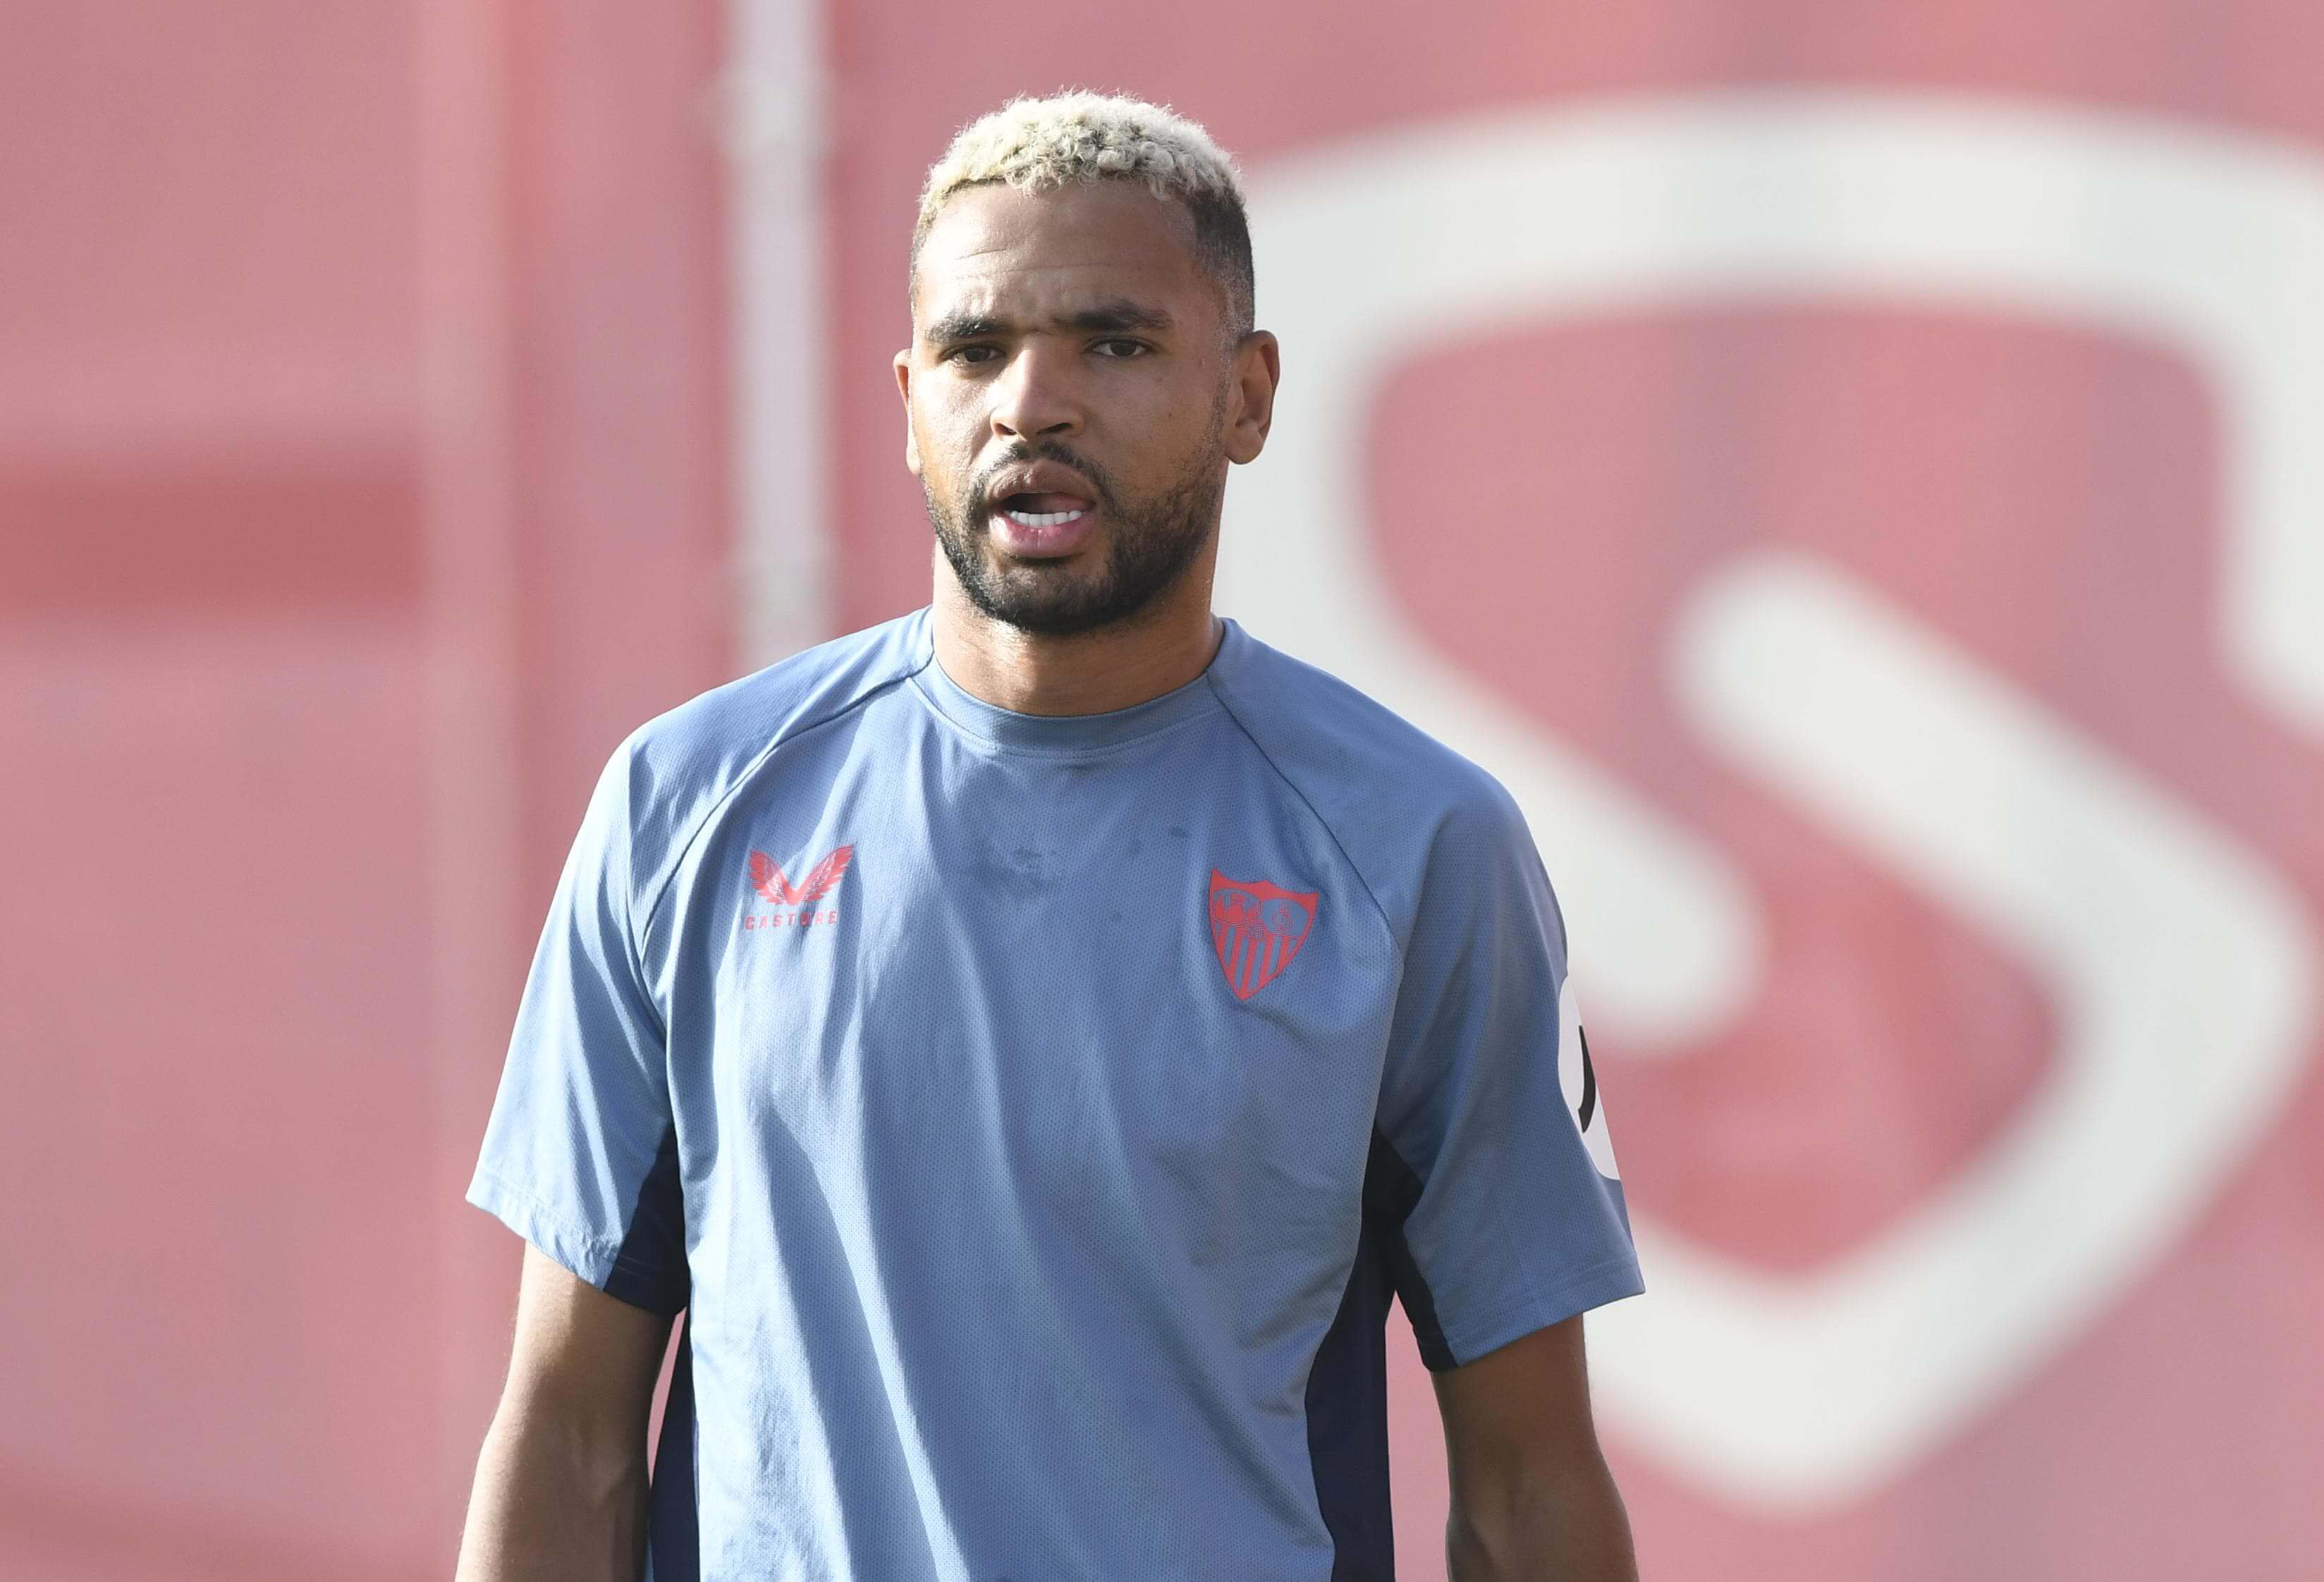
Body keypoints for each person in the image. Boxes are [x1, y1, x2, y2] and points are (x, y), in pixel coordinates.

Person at [454, 90, 1641, 1582]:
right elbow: (565, 1435)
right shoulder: (683, 811)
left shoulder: (1415, 847)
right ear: (907, 403)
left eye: (1115, 342)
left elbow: (1528, 1489)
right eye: (974, 349)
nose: (1032, 401)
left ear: (1249, 394)